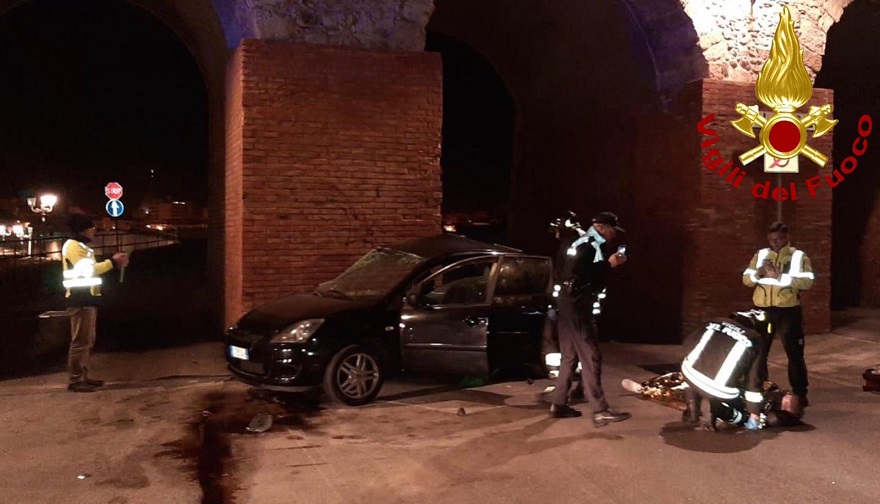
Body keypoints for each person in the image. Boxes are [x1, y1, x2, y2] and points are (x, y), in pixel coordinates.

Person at [549, 211, 630, 427]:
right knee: (591, 356)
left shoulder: (582, 241)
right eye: (612, 230)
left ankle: (558, 404)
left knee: (569, 357)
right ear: (601, 227)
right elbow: (581, 273)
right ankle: (600, 410)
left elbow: (568, 271)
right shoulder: (591, 243)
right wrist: (609, 264)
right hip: (577, 305)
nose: (614, 235)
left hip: (566, 303)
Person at [678, 310, 802, 430]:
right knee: (741, 408)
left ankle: (692, 409)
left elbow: (688, 343)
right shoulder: (755, 340)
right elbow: (753, 382)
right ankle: (721, 410)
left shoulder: (714, 322)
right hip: (718, 389)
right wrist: (754, 414)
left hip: (688, 372)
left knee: (690, 370)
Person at [742, 222, 814, 410]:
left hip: (787, 310)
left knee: (794, 353)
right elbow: (747, 280)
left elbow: (807, 282)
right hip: (762, 309)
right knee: (759, 351)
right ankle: (759, 390)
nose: (775, 242)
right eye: (772, 239)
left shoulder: (798, 256)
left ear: (787, 238)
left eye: (779, 239)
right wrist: (758, 273)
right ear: (768, 238)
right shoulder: (760, 255)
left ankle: (800, 393)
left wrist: (779, 276)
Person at [62, 213, 129, 392]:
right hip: (80, 298)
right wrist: (112, 262)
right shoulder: (74, 246)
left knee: (87, 340)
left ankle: (83, 375)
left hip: (86, 298)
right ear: (83, 230)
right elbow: (88, 271)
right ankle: (75, 379)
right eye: (91, 228)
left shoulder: (81, 247)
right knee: (80, 341)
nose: (94, 231)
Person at [542, 212, 585, 401]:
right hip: (573, 304)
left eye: (557, 230)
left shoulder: (572, 245)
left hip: (570, 305)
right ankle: (573, 388)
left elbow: (563, 277)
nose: (556, 234)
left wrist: (555, 302)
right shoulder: (578, 243)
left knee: (568, 347)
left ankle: (565, 391)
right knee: (578, 349)